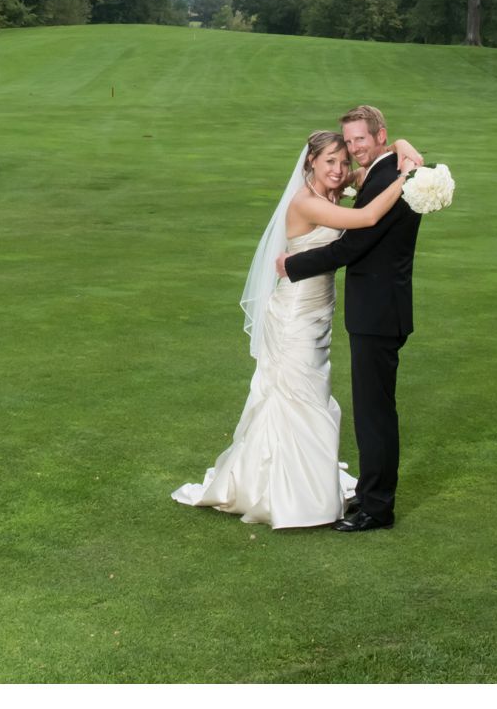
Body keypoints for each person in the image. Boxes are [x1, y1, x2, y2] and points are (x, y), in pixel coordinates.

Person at [173, 128, 423, 529]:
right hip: (295, 315)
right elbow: (368, 217)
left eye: (344, 162)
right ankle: (288, 493)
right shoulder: (307, 202)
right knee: (298, 397)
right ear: (310, 163)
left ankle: (309, 486)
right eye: (330, 162)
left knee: (312, 395)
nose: (341, 170)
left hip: (319, 313)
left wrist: (405, 148)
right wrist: (406, 178)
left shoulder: (333, 191)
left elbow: (379, 153)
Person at [275, 105, 425, 533]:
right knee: (372, 410)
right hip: (376, 309)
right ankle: (371, 489)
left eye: (361, 140)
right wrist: (404, 148)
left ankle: (377, 506)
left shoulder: (390, 177)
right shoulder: (387, 168)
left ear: (380, 136)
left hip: (378, 313)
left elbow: (351, 246)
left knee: (375, 412)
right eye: (349, 142)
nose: (355, 150)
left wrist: (294, 264)